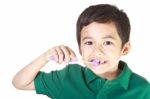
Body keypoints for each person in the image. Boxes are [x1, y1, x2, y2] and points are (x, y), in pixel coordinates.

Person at [12, 4, 150, 99]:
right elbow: (19, 83)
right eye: (89, 43)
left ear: (125, 48)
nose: (97, 51)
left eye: (107, 43)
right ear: (80, 49)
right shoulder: (68, 77)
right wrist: (45, 57)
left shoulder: (142, 88)